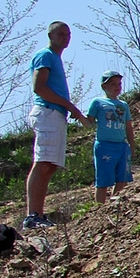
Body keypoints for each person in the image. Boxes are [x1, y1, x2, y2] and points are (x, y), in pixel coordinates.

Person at [24, 21, 89, 230]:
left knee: (50, 166)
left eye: (68, 34)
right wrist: (71, 106)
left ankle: (38, 215)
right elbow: (39, 87)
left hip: (56, 114)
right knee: (42, 162)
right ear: (50, 35)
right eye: (61, 34)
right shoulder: (45, 56)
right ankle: (32, 215)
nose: (65, 37)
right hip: (48, 112)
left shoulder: (55, 59)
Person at [85, 70, 135, 202]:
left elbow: (128, 126)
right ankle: (99, 209)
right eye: (112, 84)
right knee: (103, 180)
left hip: (122, 145)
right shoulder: (98, 102)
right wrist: (79, 116)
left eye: (119, 83)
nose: (117, 87)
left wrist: (132, 145)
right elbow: (89, 122)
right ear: (104, 86)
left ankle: (114, 205)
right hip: (104, 144)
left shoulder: (123, 105)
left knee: (122, 178)